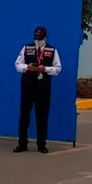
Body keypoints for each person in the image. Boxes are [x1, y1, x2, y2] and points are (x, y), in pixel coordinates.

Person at [14, 26, 62, 154]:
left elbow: (58, 68)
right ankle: (22, 143)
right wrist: (27, 67)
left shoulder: (52, 50)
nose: (38, 41)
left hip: (43, 87)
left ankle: (42, 145)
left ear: (45, 38)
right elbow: (17, 64)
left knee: (42, 116)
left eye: (40, 39)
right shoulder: (27, 48)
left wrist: (45, 69)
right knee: (24, 116)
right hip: (28, 85)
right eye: (36, 38)